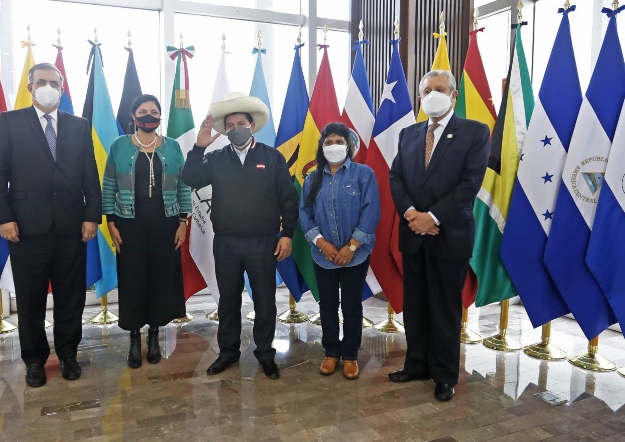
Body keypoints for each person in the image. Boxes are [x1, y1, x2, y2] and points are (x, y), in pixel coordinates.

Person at [0, 62, 101, 388]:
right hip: (25, 229)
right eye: (42, 82)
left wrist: (91, 215)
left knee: (71, 296)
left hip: (71, 228)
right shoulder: (10, 123)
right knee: (31, 299)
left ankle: (68, 355)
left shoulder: (79, 126)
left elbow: (89, 176)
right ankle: (35, 360)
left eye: (54, 82)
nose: (48, 87)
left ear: (62, 88)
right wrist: (4, 218)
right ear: (30, 87)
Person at [388, 70, 489, 401]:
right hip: (413, 234)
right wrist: (411, 215)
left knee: (445, 309)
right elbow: (396, 178)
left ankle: (445, 375)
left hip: (450, 235)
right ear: (420, 97)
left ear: (454, 95)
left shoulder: (475, 132)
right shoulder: (409, 134)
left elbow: (469, 184)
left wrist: (432, 217)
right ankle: (416, 364)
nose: (433, 94)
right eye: (426, 90)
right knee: (415, 305)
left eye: (439, 89)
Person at [182, 92, 298, 380]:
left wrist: (287, 235)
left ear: (253, 125)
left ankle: (265, 354)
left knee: (265, 301)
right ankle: (228, 352)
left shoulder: (272, 157)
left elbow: (288, 199)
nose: (236, 129)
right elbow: (190, 178)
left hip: (263, 242)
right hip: (227, 243)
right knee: (228, 300)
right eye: (230, 125)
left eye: (241, 123)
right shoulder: (216, 158)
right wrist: (199, 147)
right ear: (226, 131)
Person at [102, 94, 191, 369]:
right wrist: (111, 222)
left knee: (160, 278)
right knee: (133, 278)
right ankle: (133, 335)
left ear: (160, 116)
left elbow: (183, 186)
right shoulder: (119, 146)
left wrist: (182, 222)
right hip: (129, 224)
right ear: (133, 116)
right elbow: (108, 186)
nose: (149, 116)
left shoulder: (173, 147)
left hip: (166, 223)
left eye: (154, 111)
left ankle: (154, 333)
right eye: (143, 111)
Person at [299, 123, 380, 380]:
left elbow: (371, 212)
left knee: (352, 306)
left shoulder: (364, 174)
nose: (334, 146)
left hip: (355, 255)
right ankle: (331, 352)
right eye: (328, 141)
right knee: (328, 305)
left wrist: (351, 247)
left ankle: (350, 356)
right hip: (323, 255)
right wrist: (322, 243)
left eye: (339, 141)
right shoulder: (312, 178)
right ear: (322, 147)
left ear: (349, 145)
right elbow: (305, 214)